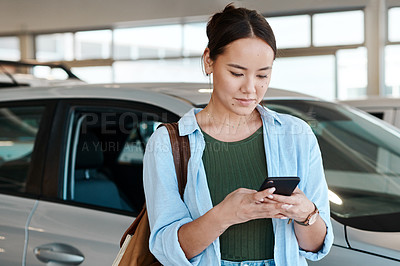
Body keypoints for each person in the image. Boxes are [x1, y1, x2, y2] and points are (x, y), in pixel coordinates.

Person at [143, 4, 333, 266]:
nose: (250, 89)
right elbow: (167, 249)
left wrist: (307, 214)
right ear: (209, 60)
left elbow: (314, 247)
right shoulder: (169, 143)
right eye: (237, 73)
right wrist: (225, 214)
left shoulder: (296, 134)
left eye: (262, 75)